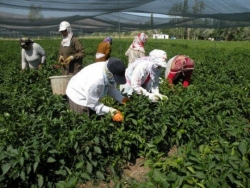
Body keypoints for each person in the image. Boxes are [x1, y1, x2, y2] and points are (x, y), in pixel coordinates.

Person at [66, 57, 129, 122]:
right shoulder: (96, 81)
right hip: (77, 93)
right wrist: (111, 111)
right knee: (83, 120)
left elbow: (111, 89)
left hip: (87, 89)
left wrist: (122, 99)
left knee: (93, 116)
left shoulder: (109, 70)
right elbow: (93, 104)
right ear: (109, 74)